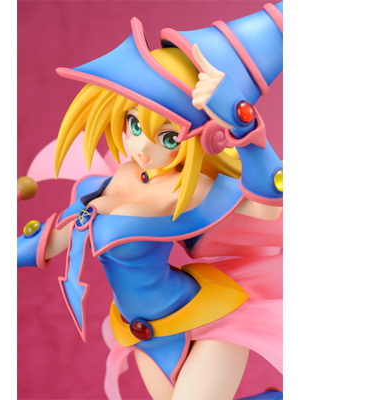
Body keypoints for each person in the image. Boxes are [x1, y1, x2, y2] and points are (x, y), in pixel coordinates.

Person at [18, 3, 283, 399]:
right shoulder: (108, 182)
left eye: (169, 137)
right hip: (143, 332)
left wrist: (241, 122)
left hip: (209, 319)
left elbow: (268, 205)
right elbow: (54, 239)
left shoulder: (194, 189)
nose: (142, 147)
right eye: (134, 124)